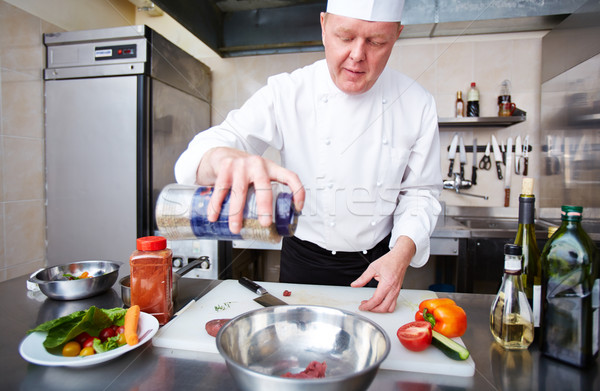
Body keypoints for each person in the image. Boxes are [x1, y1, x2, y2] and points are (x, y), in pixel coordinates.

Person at [175, 0, 442, 313]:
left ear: (396, 35)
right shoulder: (288, 92)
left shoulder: (417, 103)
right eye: (345, 37)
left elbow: (421, 193)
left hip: (380, 262)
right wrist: (223, 159)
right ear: (324, 27)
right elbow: (200, 154)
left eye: (376, 41)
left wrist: (402, 254)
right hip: (302, 262)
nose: (358, 55)